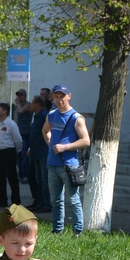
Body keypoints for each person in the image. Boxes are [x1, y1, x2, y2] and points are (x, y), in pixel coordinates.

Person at [42, 84, 89, 235]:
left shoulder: (76, 118)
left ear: (69, 96)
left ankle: (78, 232)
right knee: (55, 201)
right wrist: (50, 143)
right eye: (56, 96)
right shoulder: (51, 115)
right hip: (52, 163)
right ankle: (57, 230)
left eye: (62, 96)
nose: (59, 99)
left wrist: (65, 147)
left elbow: (86, 141)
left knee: (74, 201)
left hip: (69, 165)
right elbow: (45, 130)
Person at [0, 101, 23, 208]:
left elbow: (18, 140)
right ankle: (2, 200)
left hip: (9, 152)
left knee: (12, 177)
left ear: (5, 111)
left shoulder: (11, 124)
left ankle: (16, 201)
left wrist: (16, 151)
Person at [25, 97, 50, 212]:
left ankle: (46, 204)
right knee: (38, 179)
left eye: (33, 103)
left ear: (38, 104)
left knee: (44, 180)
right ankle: (39, 201)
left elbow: (47, 133)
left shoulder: (44, 116)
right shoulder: (36, 116)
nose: (31, 105)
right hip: (36, 152)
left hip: (43, 152)